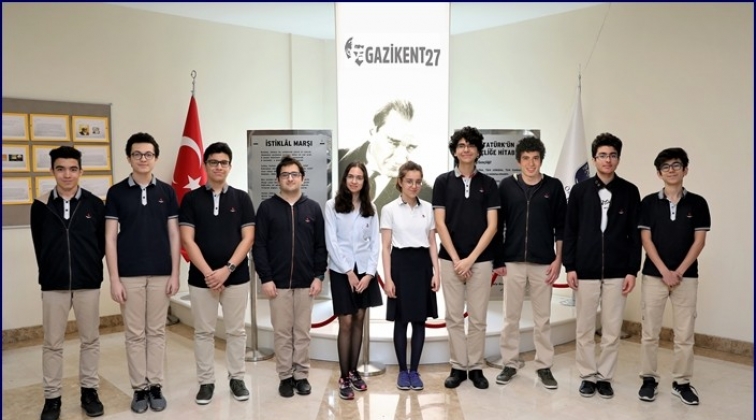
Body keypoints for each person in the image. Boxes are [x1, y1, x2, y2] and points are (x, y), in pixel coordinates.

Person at [104, 132, 180, 413]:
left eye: (148, 154)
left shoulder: (167, 192)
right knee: (135, 334)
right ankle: (139, 388)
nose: (143, 159)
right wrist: (114, 279)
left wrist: (175, 273)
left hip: (161, 273)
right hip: (129, 274)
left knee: (157, 332)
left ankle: (155, 385)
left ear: (155, 158)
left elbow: (174, 235)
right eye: (137, 154)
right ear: (129, 158)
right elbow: (110, 238)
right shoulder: (116, 193)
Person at [563, 132, 641, 399]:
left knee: (611, 328)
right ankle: (587, 375)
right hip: (585, 270)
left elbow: (635, 235)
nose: (608, 160)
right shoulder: (580, 191)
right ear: (594, 159)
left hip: (618, 272)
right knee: (584, 328)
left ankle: (605, 376)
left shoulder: (629, 191)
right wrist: (570, 266)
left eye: (613, 155)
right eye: (603, 155)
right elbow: (570, 231)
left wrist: (632, 270)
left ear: (618, 158)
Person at [31, 146, 106, 420]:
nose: (67, 174)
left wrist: (88, 266)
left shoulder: (95, 205)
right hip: (54, 284)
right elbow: (39, 245)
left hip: (88, 283)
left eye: (73, 169)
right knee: (52, 343)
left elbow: (101, 244)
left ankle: (89, 392)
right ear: (52, 171)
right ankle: (52, 398)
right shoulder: (40, 206)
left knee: (91, 340)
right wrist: (52, 270)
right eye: (61, 169)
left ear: (80, 171)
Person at [178, 142, 256, 405]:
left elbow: (248, 238)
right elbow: (187, 240)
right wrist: (210, 274)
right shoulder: (191, 199)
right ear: (205, 165)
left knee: (236, 332)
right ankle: (206, 382)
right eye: (213, 162)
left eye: (223, 162)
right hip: (201, 279)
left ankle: (237, 378)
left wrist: (227, 270)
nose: (218, 167)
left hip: (236, 277)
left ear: (230, 166)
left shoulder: (242, 198)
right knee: (203, 332)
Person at [637, 148, 710, 406]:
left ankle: (682, 383)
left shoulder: (698, 203)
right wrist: (664, 271)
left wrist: (678, 272)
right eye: (665, 166)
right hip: (653, 276)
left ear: (685, 170)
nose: (671, 170)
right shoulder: (648, 203)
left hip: (686, 278)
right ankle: (648, 379)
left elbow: (699, 242)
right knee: (650, 332)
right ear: (659, 173)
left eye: (676, 165)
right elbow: (646, 240)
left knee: (685, 335)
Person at [492, 136, 567, 390]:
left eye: (535, 158)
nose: (531, 163)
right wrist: (499, 259)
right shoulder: (507, 186)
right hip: (512, 261)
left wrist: (558, 259)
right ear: (518, 161)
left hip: (543, 262)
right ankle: (510, 363)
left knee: (542, 319)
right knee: (510, 317)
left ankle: (544, 365)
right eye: (526, 158)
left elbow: (561, 227)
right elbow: (497, 226)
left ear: (541, 160)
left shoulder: (553, 187)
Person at [252, 155, 327, 398]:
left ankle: (301, 375)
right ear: (278, 179)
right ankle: (285, 376)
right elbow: (259, 246)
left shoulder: (313, 208)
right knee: (282, 332)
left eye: (294, 174)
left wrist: (318, 276)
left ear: (302, 178)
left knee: (302, 332)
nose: (290, 178)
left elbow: (320, 246)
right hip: (278, 284)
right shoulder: (267, 208)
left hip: (306, 283)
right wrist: (266, 278)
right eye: (285, 175)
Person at [433, 126, 501, 390]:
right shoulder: (442, 182)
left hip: (480, 261)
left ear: (478, 151)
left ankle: (475, 367)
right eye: (461, 145)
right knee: (453, 317)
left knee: (478, 317)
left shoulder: (489, 184)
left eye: (471, 145)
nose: (466, 149)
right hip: (449, 260)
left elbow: (492, 226)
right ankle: (458, 367)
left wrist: (470, 260)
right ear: (454, 151)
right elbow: (440, 223)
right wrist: (456, 259)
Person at [324, 161, 383, 401]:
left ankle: (353, 371)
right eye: (351, 176)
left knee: (359, 319)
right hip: (341, 270)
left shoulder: (371, 207)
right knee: (346, 322)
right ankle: (343, 376)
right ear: (345, 179)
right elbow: (331, 241)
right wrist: (348, 271)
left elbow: (375, 243)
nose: (354, 181)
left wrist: (369, 274)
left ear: (364, 181)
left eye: (359, 177)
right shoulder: (332, 205)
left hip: (365, 270)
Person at [381, 161, 440, 392]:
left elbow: (432, 242)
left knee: (419, 320)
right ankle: (402, 371)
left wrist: (436, 272)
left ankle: (414, 371)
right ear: (400, 182)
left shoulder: (429, 208)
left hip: (422, 266)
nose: (414, 185)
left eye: (417, 181)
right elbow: (386, 247)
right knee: (401, 320)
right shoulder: (389, 209)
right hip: (400, 266)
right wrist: (388, 278)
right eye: (409, 181)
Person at [338, 99, 432, 216]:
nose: (401, 159)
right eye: (393, 142)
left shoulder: (426, 197)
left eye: (411, 147)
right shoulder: (333, 162)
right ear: (372, 132)